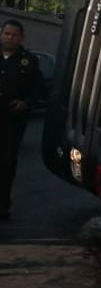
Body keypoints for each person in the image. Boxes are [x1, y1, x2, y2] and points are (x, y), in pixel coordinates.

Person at [0, 19, 42, 219]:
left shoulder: (29, 61)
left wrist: (26, 103)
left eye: (14, 35)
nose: (10, 37)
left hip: (12, 120)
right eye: (7, 34)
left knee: (6, 163)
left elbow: (38, 89)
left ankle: (3, 205)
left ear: (21, 38)